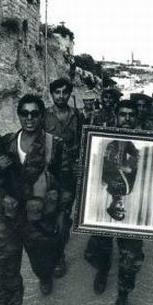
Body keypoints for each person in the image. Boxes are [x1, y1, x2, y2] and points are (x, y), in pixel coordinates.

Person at [0, 94, 72, 305]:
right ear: (19, 115)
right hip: (10, 218)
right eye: (25, 113)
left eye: (35, 113)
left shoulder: (55, 144)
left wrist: (61, 213)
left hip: (39, 218)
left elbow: (66, 181)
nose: (29, 118)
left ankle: (44, 275)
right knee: (6, 266)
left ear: (42, 116)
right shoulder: (6, 143)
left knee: (43, 262)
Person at [84, 100, 145, 305]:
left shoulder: (144, 145)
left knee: (131, 258)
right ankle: (103, 268)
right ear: (115, 116)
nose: (127, 119)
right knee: (98, 249)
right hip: (104, 200)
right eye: (122, 114)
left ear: (136, 118)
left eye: (131, 115)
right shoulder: (104, 141)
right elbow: (94, 171)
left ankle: (122, 301)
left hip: (131, 206)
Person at [44, 77, 85, 277]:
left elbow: (86, 141)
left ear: (70, 94)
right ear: (51, 94)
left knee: (62, 215)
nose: (61, 96)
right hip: (49, 176)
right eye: (57, 92)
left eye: (65, 92)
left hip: (69, 175)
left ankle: (58, 257)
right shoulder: (43, 116)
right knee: (49, 216)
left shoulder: (78, 116)